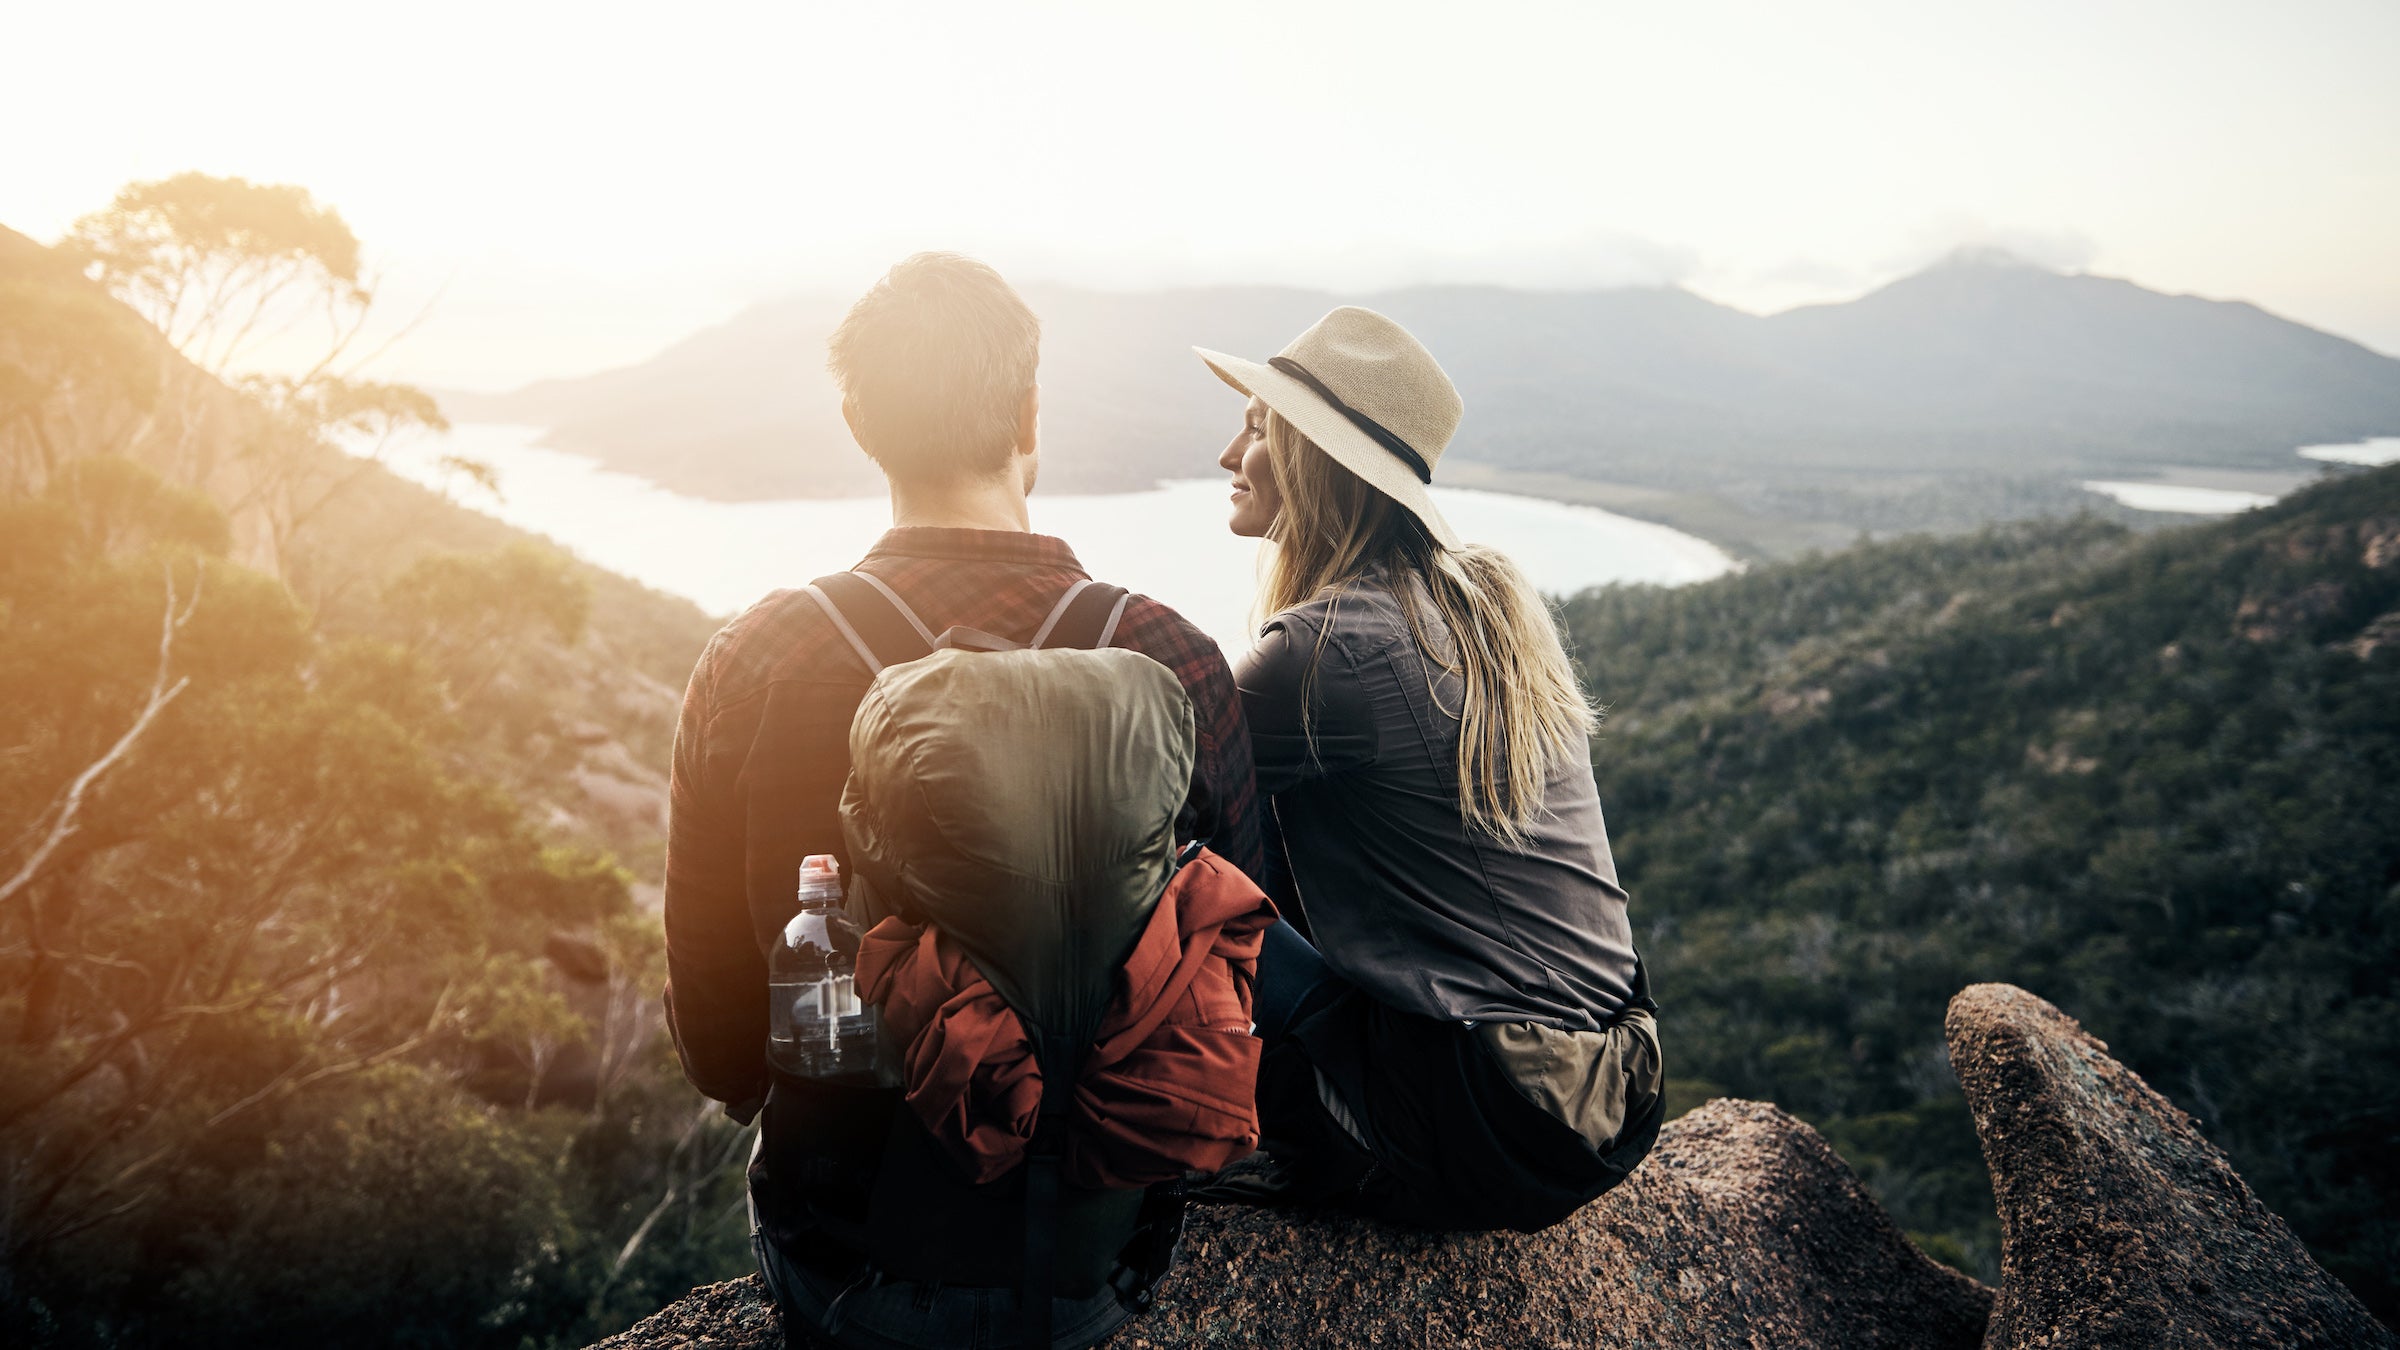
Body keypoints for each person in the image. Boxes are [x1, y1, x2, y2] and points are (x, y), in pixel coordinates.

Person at [663, 252, 1264, 1347]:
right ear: (1032, 411)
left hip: (845, 1261)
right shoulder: (1168, 656)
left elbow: (718, 1050)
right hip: (1095, 1264)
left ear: (860, 426)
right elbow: (1248, 967)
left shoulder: (756, 657)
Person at [1193, 306, 1664, 1232]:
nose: (1226, 454)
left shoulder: (1324, 650)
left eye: (1254, 427)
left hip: (1489, 1120)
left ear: (1309, 460)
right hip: (1610, 1096)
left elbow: (1149, 801)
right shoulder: (1472, 608)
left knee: (1163, 878)